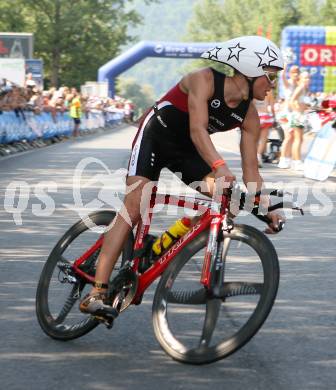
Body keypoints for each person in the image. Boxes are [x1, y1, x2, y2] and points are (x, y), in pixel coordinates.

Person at [79, 35, 285, 315]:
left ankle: (164, 243)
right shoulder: (204, 79)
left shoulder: (249, 116)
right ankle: (97, 292)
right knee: (135, 204)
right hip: (157, 135)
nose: (272, 86)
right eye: (269, 77)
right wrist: (220, 165)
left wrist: (267, 206)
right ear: (249, 71)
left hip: (186, 151)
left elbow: (252, 171)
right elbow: (198, 129)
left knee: (230, 201)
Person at [278, 64, 300, 169]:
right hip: (285, 114)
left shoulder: (299, 85)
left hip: (294, 114)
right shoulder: (289, 83)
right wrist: (285, 66)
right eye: (293, 72)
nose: (296, 74)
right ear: (290, 74)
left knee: (292, 137)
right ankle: (282, 159)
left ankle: (289, 158)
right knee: (288, 137)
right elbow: (282, 76)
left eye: (297, 72)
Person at [254, 90, 276, 167]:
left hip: (255, 115)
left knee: (255, 139)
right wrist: (274, 117)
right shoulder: (269, 91)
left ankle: (253, 158)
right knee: (263, 139)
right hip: (265, 116)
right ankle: (258, 156)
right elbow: (272, 106)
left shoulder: (254, 89)